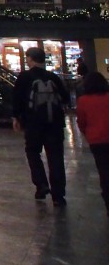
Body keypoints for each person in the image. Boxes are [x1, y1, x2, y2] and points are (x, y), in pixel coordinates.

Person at [12, 46, 69, 207]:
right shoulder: (53, 77)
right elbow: (65, 98)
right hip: (55, 124)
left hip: (33, 123)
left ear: (30, 58)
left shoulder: (24, 77)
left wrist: (16, 117)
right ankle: (58, 195)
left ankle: (41, 184)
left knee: (32, 152)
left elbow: (17, 99)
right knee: (56, 157)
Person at [76, 71, 109, 216]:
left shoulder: (83, 100)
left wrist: (86, 132)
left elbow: (81, 121)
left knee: (104, 172)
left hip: (97, 140)